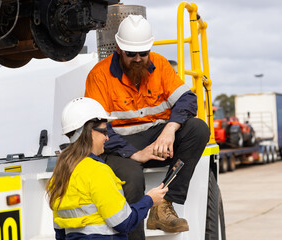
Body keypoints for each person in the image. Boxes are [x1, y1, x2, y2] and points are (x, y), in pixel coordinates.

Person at [85, 15, 210, 238]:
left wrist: (170, 129)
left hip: (158, 137)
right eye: (131, 54)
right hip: (119, 146)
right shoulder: (99, 75)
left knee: (198, 129)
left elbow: (187, 100)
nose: (138, 59)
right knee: (131, 180)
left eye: (143, 53)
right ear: (118, 49)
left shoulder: (160, 64)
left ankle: (164, 206)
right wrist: (135, 154)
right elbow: (97, 126)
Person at [46, 97, 168, 240]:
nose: (107, 138)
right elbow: (124, 223)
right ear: (89, 131)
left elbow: (60, 232)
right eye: (104, 131)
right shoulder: (97, 171)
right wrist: (149, 200)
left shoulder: (60, 173)